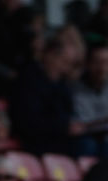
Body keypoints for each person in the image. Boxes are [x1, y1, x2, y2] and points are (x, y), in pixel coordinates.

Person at [9, 28, 82, 158]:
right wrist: (63, 126)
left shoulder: (62, 84)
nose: (66, 69)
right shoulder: (28, 79)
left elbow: (69, 112)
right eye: (64, 62)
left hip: (62, 141)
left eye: (70, 64)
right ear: (50, 55)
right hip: (37, 144)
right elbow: (28, 122)